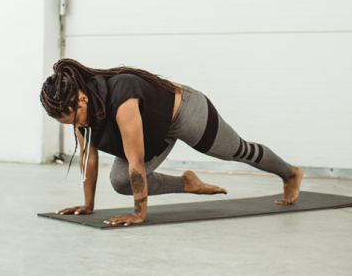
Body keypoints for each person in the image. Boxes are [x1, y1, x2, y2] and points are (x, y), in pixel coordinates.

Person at [40, 59, 303, 227]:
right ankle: (189, 183)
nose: (77, 126)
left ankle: (290, 173)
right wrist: (88, 205)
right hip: (153, 127)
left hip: (183, 112)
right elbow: (90, 158)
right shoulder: (80, 114)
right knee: (121, 182)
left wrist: (139, 213)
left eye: (75, 119)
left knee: (236, 150)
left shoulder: (122, 98)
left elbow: (136, 160)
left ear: (82, 99)